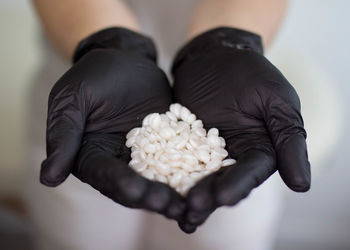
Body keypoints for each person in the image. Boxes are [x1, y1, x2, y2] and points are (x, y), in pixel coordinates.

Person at [25, 0, 310, 249]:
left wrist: (226, 40)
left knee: (223, 237)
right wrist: (107, 42)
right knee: (83, 238)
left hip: (239, 101)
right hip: (90, 105)